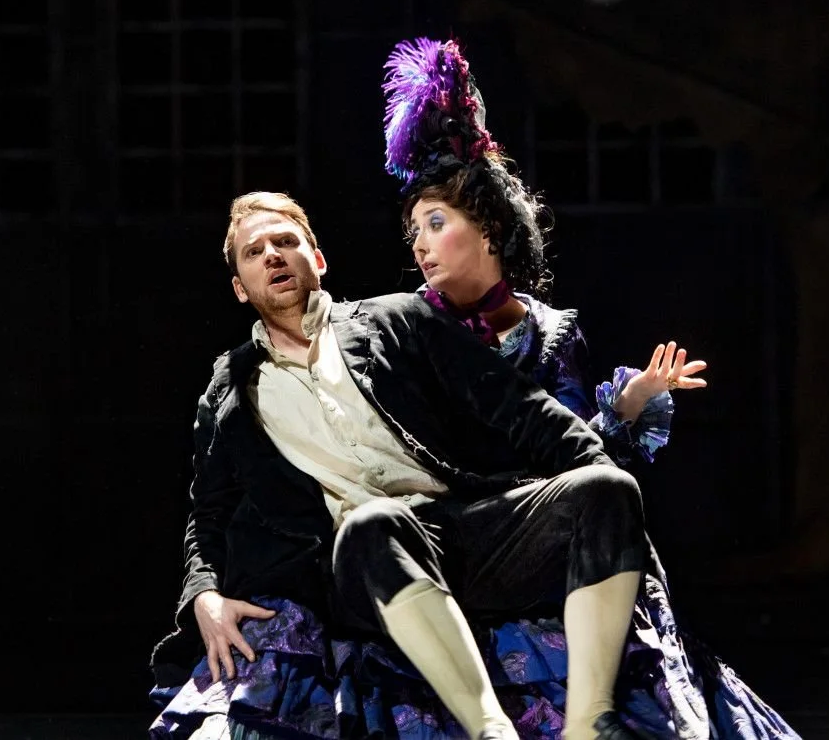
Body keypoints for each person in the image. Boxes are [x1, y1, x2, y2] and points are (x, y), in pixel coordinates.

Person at [381, 37, 799, 739]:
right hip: (457, 535)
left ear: (487, 230)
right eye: (412, 230)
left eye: (434, 223)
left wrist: (630, 404)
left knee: (613, 517)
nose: (419, 245)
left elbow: (579, 456)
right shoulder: (411, 330)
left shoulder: (549, 335)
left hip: (541, 530)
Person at [151, 190, 657, 740]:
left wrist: (600, 473)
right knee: (374, 523)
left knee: (606, 487)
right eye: (254, 252)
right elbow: (209, 512)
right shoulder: (229, 387)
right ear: (239, 288)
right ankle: (491, 731)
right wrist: (203, 595)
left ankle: (588, 725)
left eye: (286, 242)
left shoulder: (398, 319)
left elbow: (518, 407)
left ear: (316, 259)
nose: (272, 255)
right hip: (354, 567)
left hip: (459, 529)